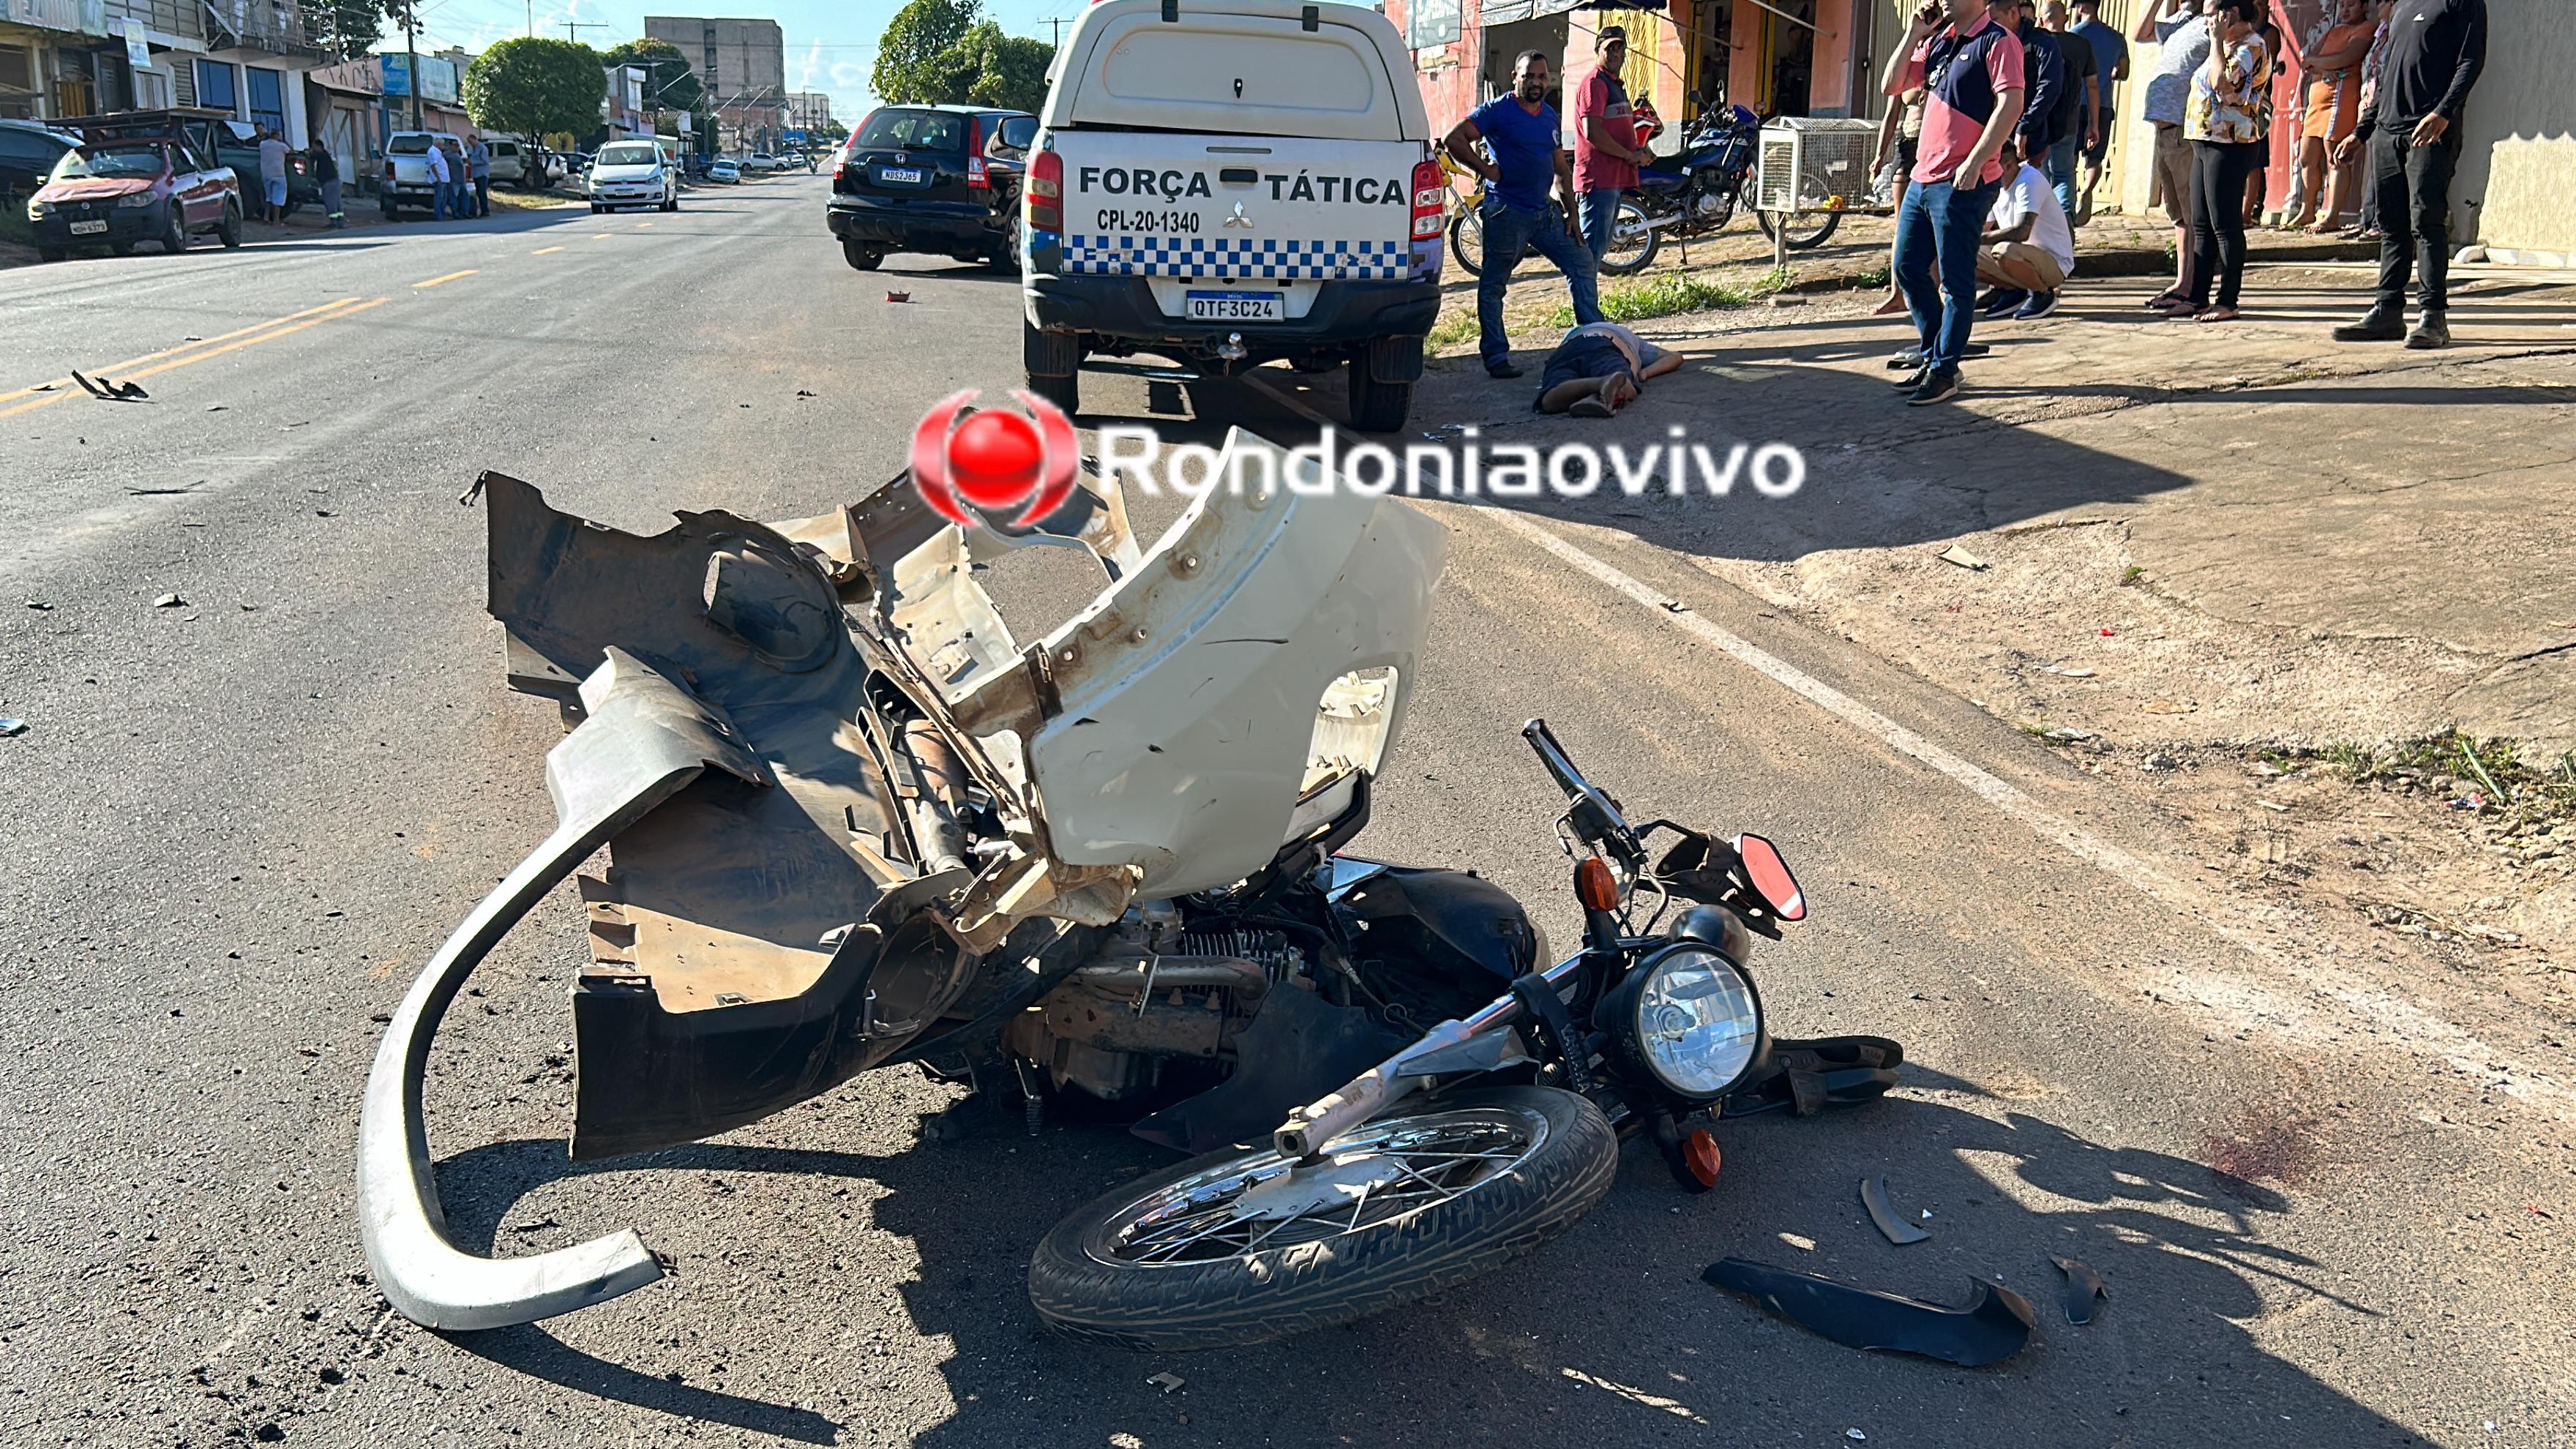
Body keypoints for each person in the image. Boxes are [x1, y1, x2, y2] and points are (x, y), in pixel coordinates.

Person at [1882, 0, 2026, 406]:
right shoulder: (1939, 41)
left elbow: (2011, 104)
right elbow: (1891, 86)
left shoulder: (1999, 42)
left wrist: (1978, 160)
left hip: (1964, 181)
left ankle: (1945, 371)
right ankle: (1936, 356)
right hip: (1923, 177)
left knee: (1956, 281)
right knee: (1907, 267)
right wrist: (1913, 35)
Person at [2330, 0, 2484, 349]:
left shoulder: (2462, 3)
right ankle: (2387, 310)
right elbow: (2387, 76)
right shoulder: (2401, 7)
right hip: (2387, 131)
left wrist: (2444, 113)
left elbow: (2470, 62)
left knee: (2427, 221)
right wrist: (2362, 130)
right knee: (2391, 225)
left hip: (2429, 129)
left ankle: (2433, 317)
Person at [1443, 50, 1603, 381]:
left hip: (1543, 212)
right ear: (1515, 77)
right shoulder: (1498, 111)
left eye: (1542, 77)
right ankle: (1496, 356)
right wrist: (1486, 169)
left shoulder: (1548, 116)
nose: (1536, 82)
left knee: (1581, 261)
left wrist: (1572, 215)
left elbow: (1560, 168)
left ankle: (1592, 337)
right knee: (1494, 284)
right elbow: (1453, 139)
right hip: (1506, 211)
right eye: (1529, 76)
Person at [2163, 0, 2269, 322]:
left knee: (2225, 225)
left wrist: (2215, 41)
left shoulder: (2252, 47)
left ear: (2230, 13)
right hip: (2204, 140)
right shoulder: (2225, 46)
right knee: (2202, 224)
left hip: (2230, 143)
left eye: (2211, 14)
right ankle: (2197, 297)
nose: (2206, 20)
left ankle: (2228, 300)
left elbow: (2223, 85)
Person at [2133, 0, 2212, 311]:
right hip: (2163, 128)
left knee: (2193, 214)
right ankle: (2182, 281)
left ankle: (2192, 287)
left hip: (2184, 128)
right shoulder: (2180, 20)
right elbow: (2140, 34)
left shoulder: (2213, 24)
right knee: (2178, 214)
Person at [2284, 0, 2375, 229]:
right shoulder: (2334, 31)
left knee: (2335, 156)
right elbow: (2308, 62)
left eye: (2351, 5)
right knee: (2306, 156)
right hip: (2317, 100)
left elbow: (2348, 57)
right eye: (2342, 5)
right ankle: (2307, 209)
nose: (2344, 10)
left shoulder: (2365, 29)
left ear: (2364, 7)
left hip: (2339, 98)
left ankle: (2332, 214)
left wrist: (2324, 64)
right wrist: (2328, 66)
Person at [1571, 27, 1652, 263]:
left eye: (1620, 48)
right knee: (1588, 254)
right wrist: (1629, 155)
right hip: (1599, 181)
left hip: (1612, 180)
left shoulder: (1614, 84)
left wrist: (1639, 150)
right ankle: (1582, 301)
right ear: (1598, 51)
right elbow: (1593, 132)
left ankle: (1587, 300)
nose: (1616, 53)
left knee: (1597, 252)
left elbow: (1618, 128)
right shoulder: (1595, 83)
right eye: (1610, 48)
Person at [1974, 138, 2078, 319]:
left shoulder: (2029, 180)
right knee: (1958, 251)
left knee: (2003, 250)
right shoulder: (1995, 186)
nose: (1984, 170)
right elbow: (1984, 226)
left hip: (2053, 263)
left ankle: (2042, 294)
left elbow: (2022, 231)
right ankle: (2009, 290)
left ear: (2007, 165)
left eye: (1990, 165)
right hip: (2020, 258)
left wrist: (1979, 239)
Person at [1534, 321, 1685, 417]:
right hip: (1603, 343)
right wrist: (1645, 372)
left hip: (1564, 352)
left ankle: (1593, 390)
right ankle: (1601, 388)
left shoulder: (1572, 336)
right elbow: (1675, 357)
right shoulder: (1625, 335)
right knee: (1626, 388)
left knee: (1548, 401)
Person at [1871, 86, 1928, 315]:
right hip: (1907, 146)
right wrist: (1879, 154)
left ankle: (1933, 290)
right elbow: (1891, 115)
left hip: (1936, 144)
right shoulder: (1905, 69)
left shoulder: (1943, 59)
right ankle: (1897, 294)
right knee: (1902, 226)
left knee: (1935, 225)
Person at [2068, 0, 2127, 221]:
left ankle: (2070, 196)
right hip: (2102, 104)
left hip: (2075, 103)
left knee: (2070, 156)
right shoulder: (2116, 38)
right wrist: (2110, 72)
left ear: (2082, 7)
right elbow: (2123, 72)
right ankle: (2087, 192)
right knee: (2095, 158)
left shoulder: (2073, 36)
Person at [2040, 1, 2099, 222]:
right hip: (2069, 121)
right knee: (2064, 174)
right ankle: (2065, 222)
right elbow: (2092, 86)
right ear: (2065, 18)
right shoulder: (2082, 45)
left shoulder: (2037, 43)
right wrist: (2093, 124)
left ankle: (2042, 223)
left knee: (2040, 173)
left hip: (2040, 120)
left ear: (2041, 19)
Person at [2007, 0, 2064, 172]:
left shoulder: (2043, 43)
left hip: (2031, 134)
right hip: (1995, 133)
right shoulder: (1993, 40)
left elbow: (2049, 87)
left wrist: (2026, 125)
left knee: (2031, 184)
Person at [256, 127, 289, 225]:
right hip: (279, 174)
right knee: (278, 199)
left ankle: (266, 217)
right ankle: (276, 220)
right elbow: (290, 150)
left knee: (269, 197)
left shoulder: (262, 145)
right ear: (277, 136)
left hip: (266, 174)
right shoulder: (281, 146)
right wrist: (283, 141)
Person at [307, 138, 342, 230]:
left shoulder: (321, 155)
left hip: (329, 182)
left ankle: (334, 222)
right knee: (337, 202)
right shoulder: (325, 155)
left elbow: (312, 157)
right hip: (334, 181)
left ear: (319, 147)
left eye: (314, 146)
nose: (313, 148)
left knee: (330, 202)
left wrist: (308, 153)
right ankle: (340, 221)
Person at [424, 135, 452, 222]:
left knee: (444, 197)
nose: (443, 146)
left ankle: (442, 214)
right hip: (439, 179)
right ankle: (438, 216)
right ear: (438, 144)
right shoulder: (432, 152)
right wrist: (438, 178)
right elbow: (433, 166)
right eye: (442, 144)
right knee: (439, 198)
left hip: (444, 179)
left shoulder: (437, 151)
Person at [467, 134, 492, 219]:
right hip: (476, 174)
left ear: (475, 139)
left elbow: (485, 161)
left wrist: (473, 162)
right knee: (478, 193)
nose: (471, 144)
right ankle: (481, 211)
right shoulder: (473, 149)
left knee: (482, 192)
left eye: (471, 142)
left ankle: (485, 211)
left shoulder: (482, 148)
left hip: (482, 174)